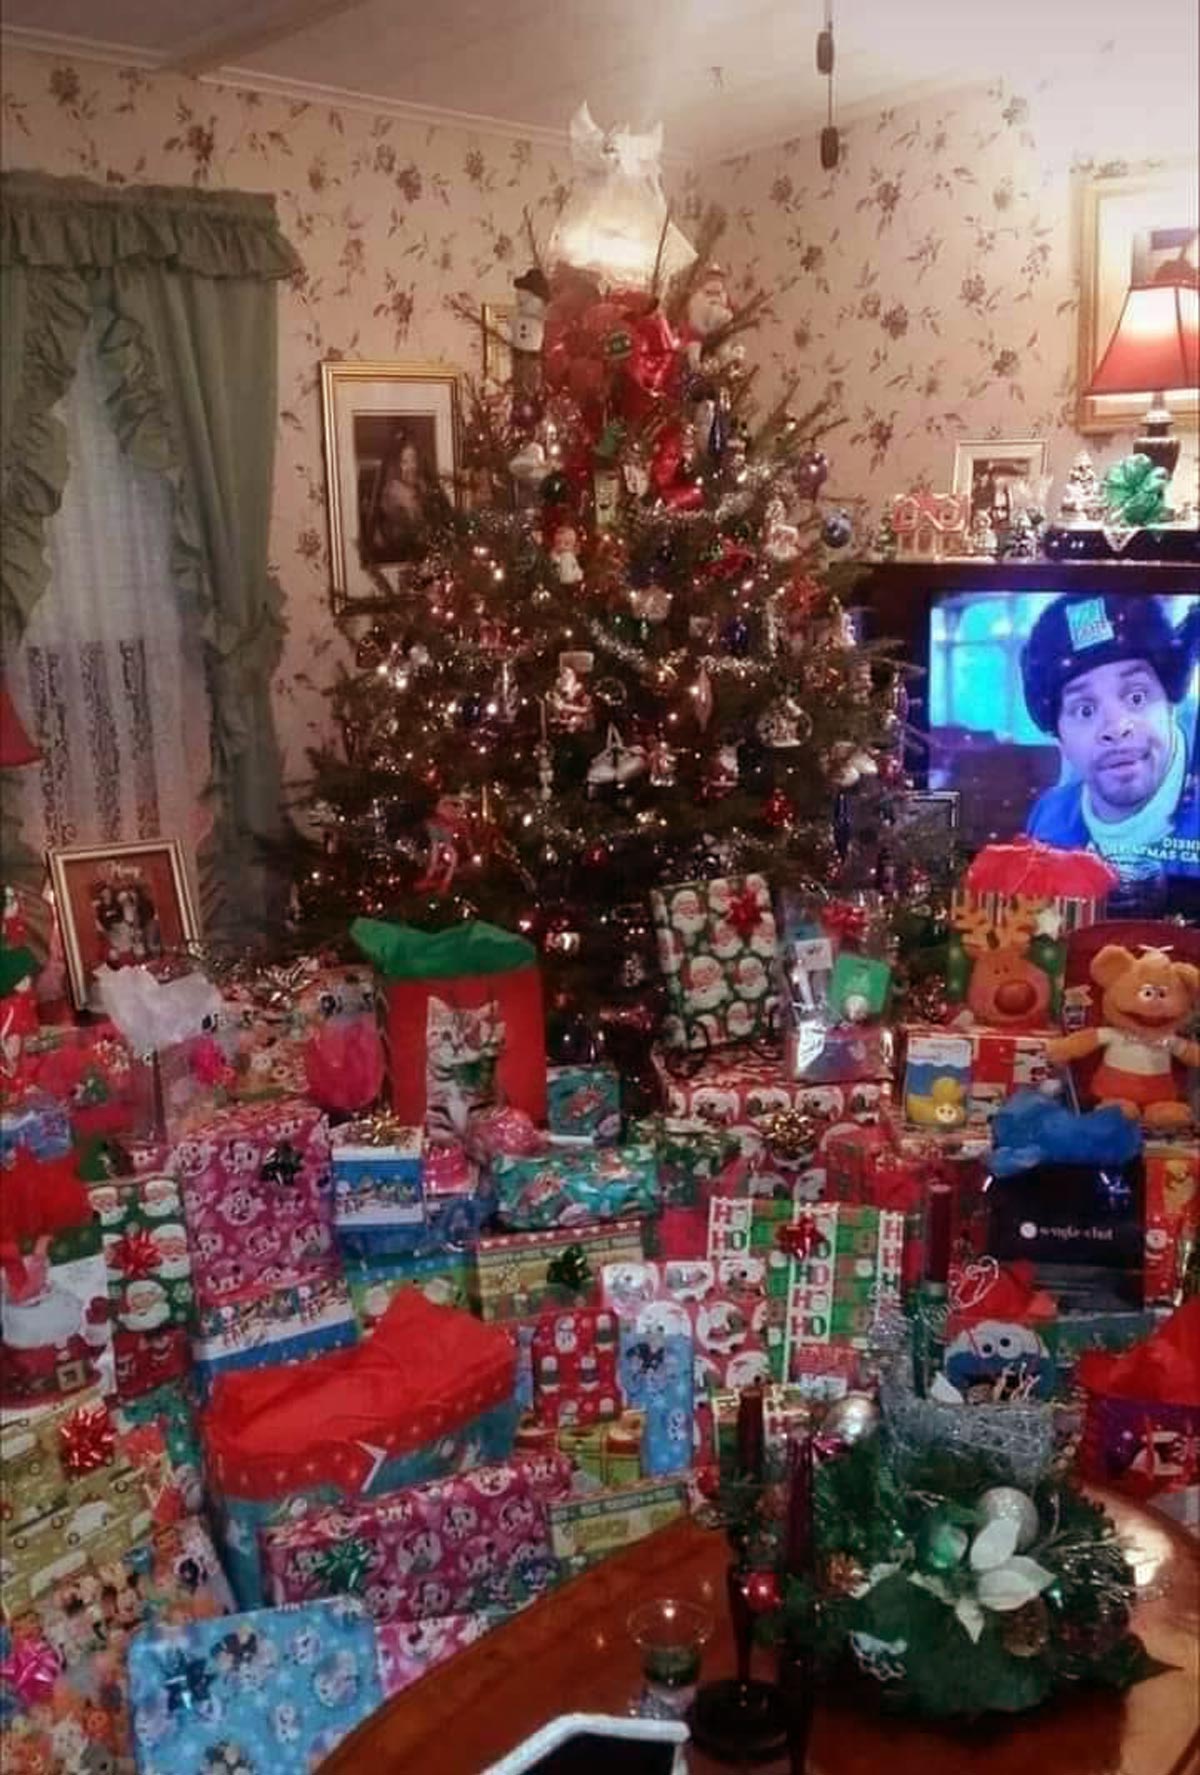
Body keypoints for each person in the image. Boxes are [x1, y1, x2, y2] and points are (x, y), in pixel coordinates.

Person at [1021, 593, 1200, 880]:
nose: (1117, 727)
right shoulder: (1049, 817)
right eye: (1085, 710)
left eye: (1137, 696)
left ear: (1170, 704)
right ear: (1060, 740)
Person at [358, 426, 446, 565]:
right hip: (400, 560)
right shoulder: (392, 493)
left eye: (414, 460)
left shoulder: (426, 488)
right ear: (397, 466)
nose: (411, 466)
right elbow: (399, 536)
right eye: (405, 462)